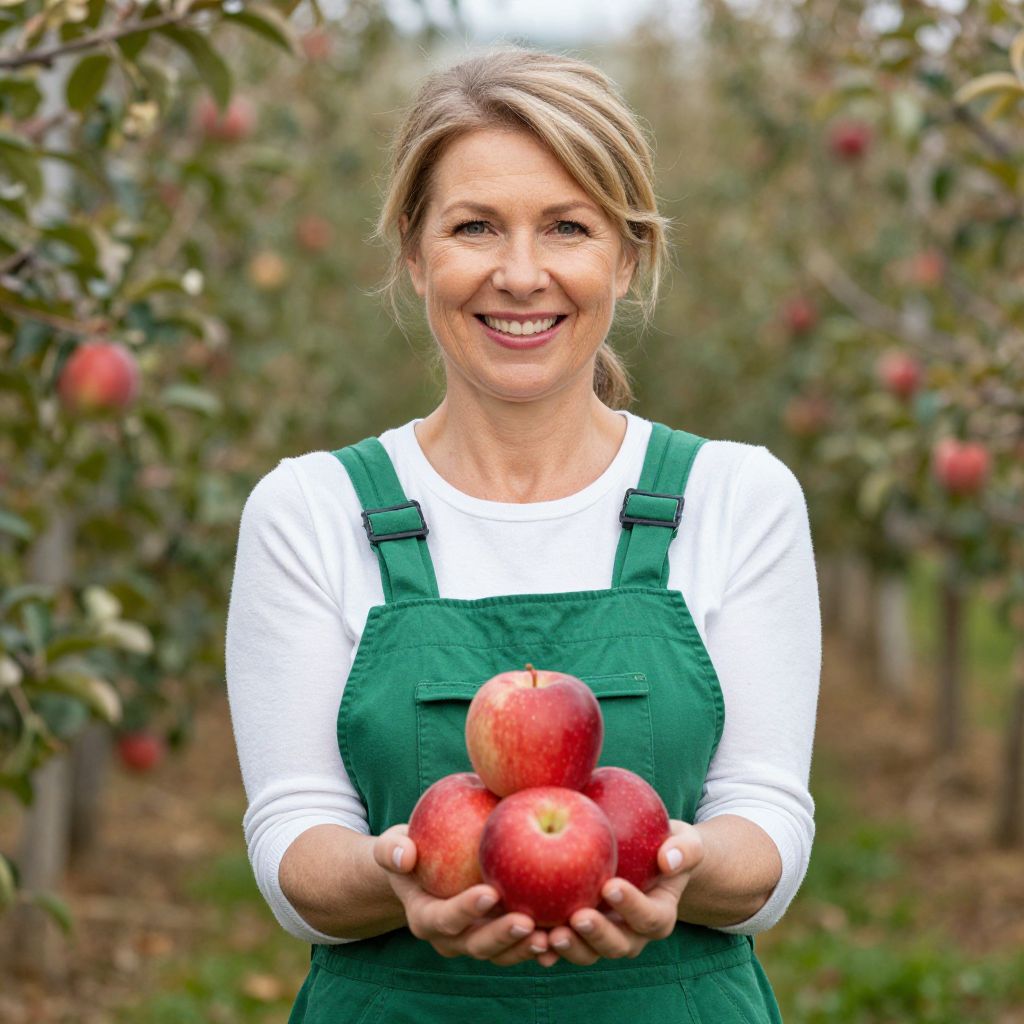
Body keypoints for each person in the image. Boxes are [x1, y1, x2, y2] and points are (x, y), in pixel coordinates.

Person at [225, 45, 820, 1023]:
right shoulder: (311, 510)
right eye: (474, 227)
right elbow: (295, 841)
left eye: (567, 228)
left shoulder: (735, 496)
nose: (519, 273)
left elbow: (768, 821)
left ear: (627, 258)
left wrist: (670, 865)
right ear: (414, 254)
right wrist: (401, 880)